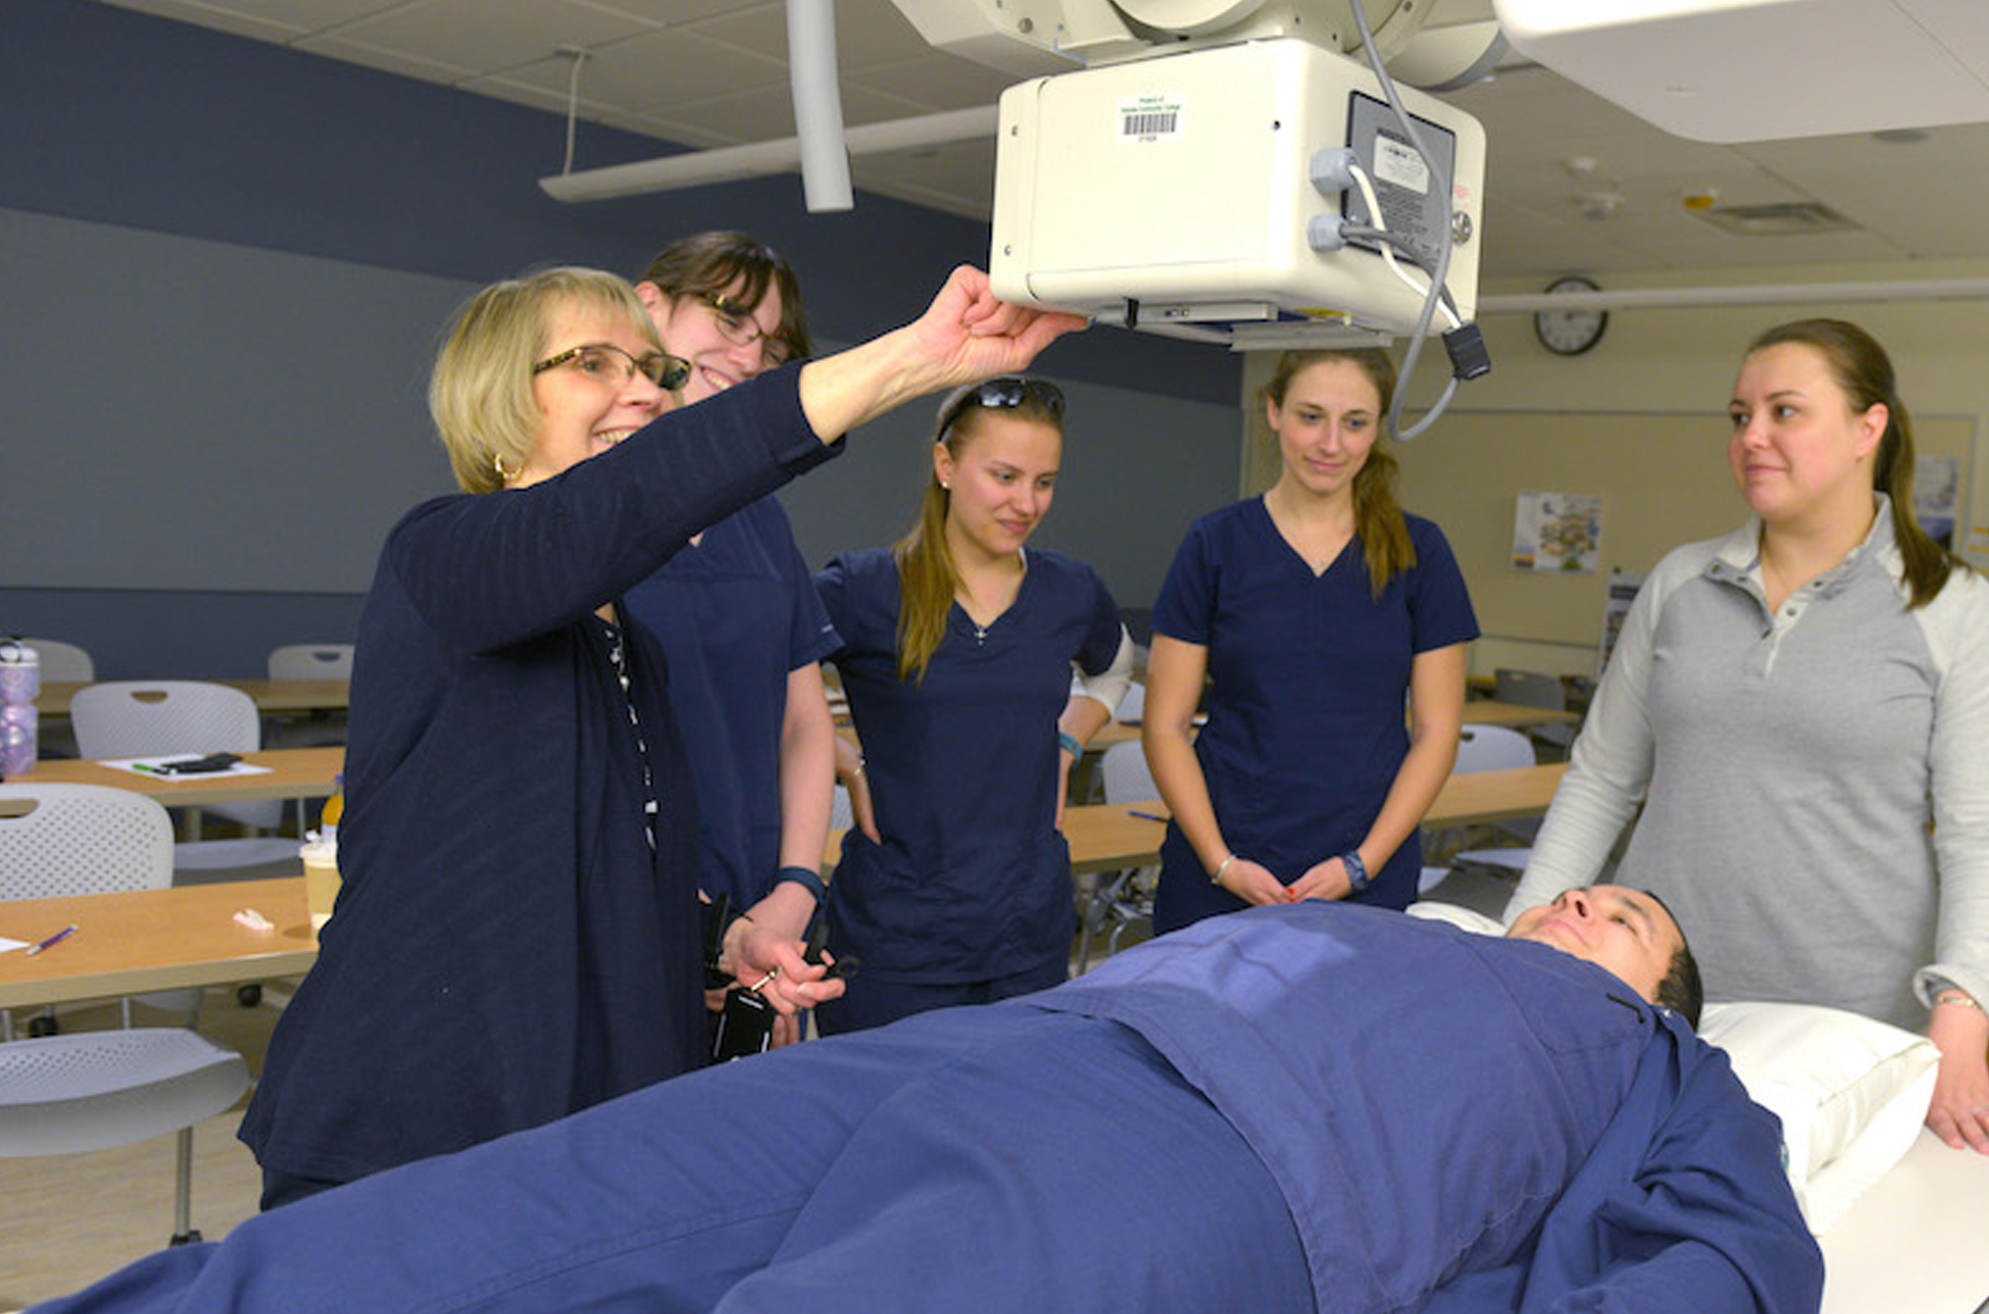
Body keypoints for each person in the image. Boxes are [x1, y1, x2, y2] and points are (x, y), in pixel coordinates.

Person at [232, 262, 1081, 1208]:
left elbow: (598, 861)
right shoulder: (443, 555)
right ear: (499, 402)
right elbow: (626, 503)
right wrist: (914, 360)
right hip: (410, 1137)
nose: (643, 388)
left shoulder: (630, 647)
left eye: (652, 369)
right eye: (592, 364)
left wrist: (718, 947)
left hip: (575, 1137)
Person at [37, 888, 1822, 1314]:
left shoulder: (1663, 1063)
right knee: (495, 1217)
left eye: (1630, 918)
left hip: (1218, 1163)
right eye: (1586, 891)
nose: (1589, 906)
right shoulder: (1391, 915)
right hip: (1001, 1045)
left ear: (1652, 983)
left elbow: (1746, 1259)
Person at [1505, 318, 1989, 1155]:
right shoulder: (1680, 583)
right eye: (1739, 414)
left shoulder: (1954, 610)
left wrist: (1963, 1018)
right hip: (1649, 1002)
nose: (1752, 436)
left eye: (1785, 411)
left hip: (1843, 1026)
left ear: (1870, 428)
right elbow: (1601, 779)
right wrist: (1522, 935)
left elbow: (1988, 837)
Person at [810, 375, 1132, 1031]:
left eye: (1044, 482)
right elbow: (760, 675)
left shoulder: (1070, 590)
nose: (1026, 503)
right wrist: (840, 757)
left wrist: (1070, 741)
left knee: (1003, 1121)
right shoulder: (865, 588)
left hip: (1026, 931)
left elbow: (1114, 666)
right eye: (1005, 476)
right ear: (946, 465)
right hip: (897, 938)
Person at [1144, 347, 1478, 934]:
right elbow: (1165, 725)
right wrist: (1221, 863)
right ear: (1273, 411)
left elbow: (1436, 732)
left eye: (1355, 423)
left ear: (1377, 431)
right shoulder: (1215, 544)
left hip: (1365, 874)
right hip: (1220, 870)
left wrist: (1362, 864)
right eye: (1310, 416)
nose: (1330, 444)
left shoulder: (1420, 551)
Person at [620, 233, 839, 1047]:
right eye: (729, 318)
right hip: (632, 924)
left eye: (770, 343)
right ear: (650, 306)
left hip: (765, 920)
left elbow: (806, 723)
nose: (747, 355)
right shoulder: (587, 508)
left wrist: (794, 889)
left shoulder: (760, 516)